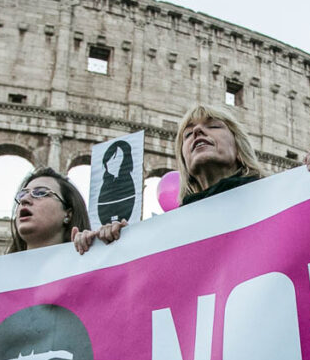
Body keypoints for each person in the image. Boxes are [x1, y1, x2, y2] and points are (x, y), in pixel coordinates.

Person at [73, 104, 265, 253]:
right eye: (188, 134)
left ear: (240, 149)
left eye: (213, 126)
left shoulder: (273, 200)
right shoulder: (172, 229)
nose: (197, 131)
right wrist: (112, 244)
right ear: (184, 163)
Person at [9, 167, 90, 253]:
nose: (24, 199)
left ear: (68, 214)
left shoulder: (94, 262)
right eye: (22, 195)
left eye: (40, 193)